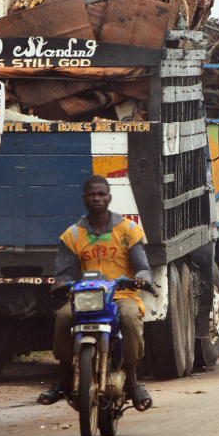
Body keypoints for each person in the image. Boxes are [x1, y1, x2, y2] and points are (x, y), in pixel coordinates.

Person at [37, 175, 153, 411]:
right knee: (63, 318)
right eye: (92, 194)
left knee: (130, 319)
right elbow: (65, 273)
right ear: (84, 199)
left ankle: (132, 381)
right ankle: (65, 378)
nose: (97, 199)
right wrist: (61, 284)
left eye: (101, 194)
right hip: (85, 299)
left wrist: (142, 277)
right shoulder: (73, 235)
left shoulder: (129, 230)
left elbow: (142, 267)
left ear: (109, 198)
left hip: (121, 297)